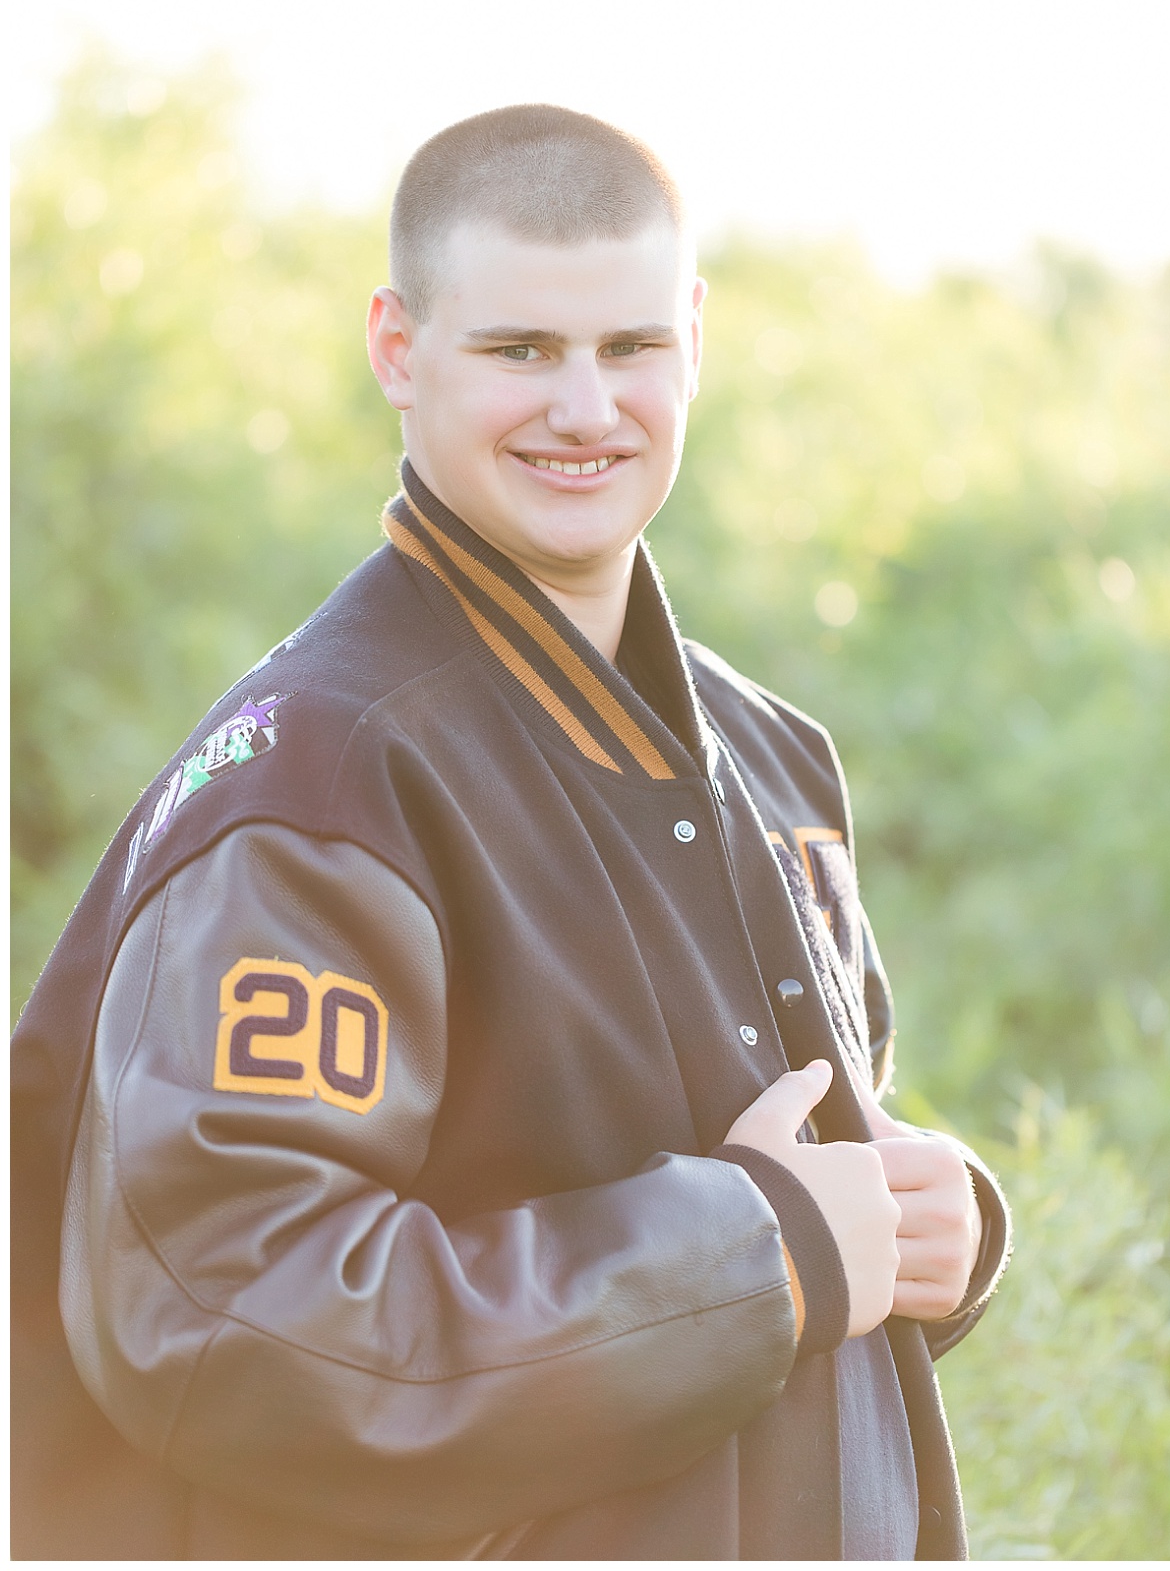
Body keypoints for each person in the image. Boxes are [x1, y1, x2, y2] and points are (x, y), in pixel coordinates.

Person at [11, 104, 1010, 1561]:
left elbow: (776, 1233)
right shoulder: (322, 780)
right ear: (398, 350)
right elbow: (227, 1315)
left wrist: (916, 1228)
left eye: (632, 347)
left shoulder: (775, 759)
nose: (587, 407)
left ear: (697, 342)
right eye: (520, 350)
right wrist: (765, 1254)